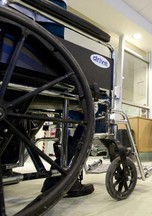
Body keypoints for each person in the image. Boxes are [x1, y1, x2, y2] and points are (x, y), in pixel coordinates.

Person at [9, 0, 95, 197]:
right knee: (94, 110)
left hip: (11, 72)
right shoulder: (53, 3)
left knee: (29, 114)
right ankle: (63, 179)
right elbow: (52, 49)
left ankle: (6, 162)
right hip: (31, 75)